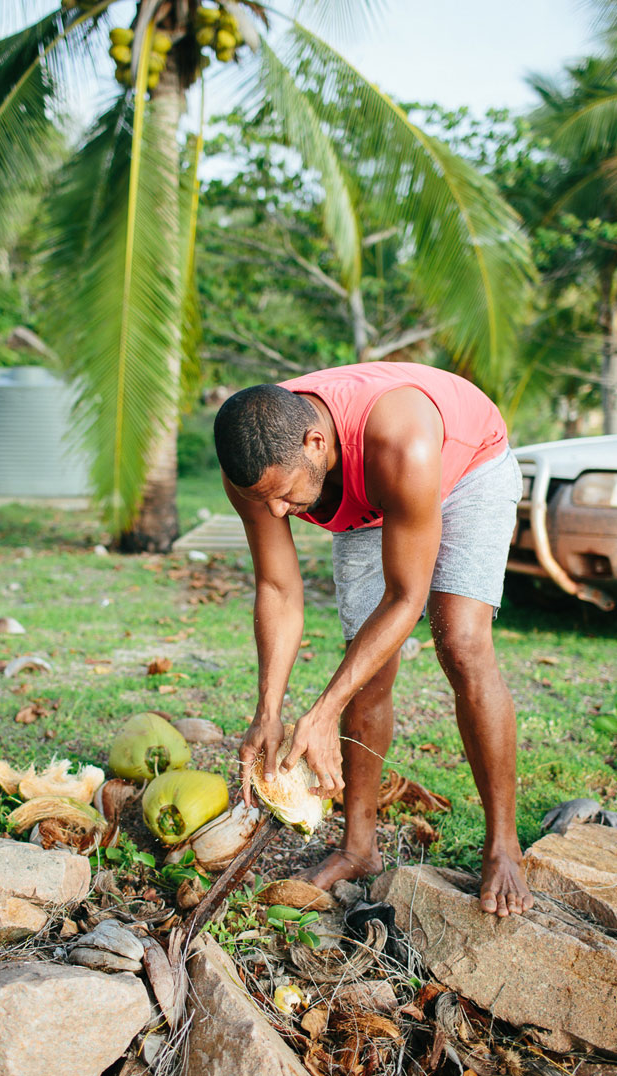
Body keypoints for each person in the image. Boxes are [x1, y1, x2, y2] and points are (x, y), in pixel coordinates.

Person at [212, 361, 532, 916]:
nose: (276, 513)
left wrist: (322, 712)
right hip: (368, 496)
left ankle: (504, 843)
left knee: (460, 642)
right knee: (365, 662)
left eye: (285, 496)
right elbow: (278, 589)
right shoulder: (256, 467)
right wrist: (270, 710)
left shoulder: (398, 440)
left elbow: (407, 597)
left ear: (316, 442)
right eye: (264, 501)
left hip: (462, 467)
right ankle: (359, 848)